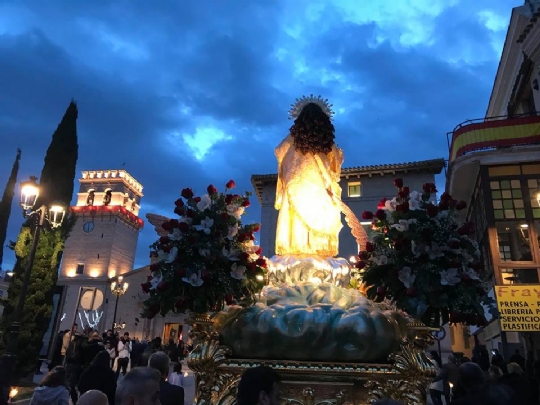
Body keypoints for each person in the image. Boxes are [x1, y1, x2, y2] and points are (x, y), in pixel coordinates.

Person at [274, 99, 344, 257]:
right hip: (320, 192)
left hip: (296, 185)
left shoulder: (291, 140)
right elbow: (335, 167)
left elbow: (279, 151)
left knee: (297, 222)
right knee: (319, 219)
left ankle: (299, 251)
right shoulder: (329, 145)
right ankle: (317, 252)